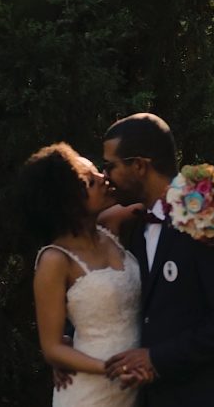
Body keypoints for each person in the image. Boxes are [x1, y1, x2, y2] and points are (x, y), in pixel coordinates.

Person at [100, 113, 214, 407]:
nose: (105, 177)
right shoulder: (135, 225)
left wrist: (157, 359)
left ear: (139, 165)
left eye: (110, 166)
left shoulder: (209, 213)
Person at [18, 143, 149, 407]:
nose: (104, 178)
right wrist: (111, 369)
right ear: (68, 201)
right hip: (91, 390)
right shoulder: (55, 260)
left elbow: (162, 204)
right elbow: (52, 348)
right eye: (90, 181)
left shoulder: (111, 224)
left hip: (139, 383)